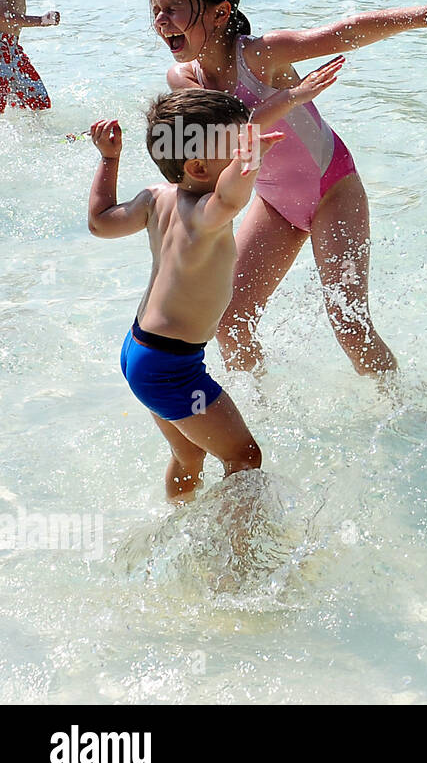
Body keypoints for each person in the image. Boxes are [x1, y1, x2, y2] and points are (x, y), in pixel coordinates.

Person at [149, 0, 427, 376]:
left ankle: (402, 408)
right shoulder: (184, 79)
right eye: (155, 10)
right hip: (275, 203)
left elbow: (345, 33)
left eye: (172, 8)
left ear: (220, 13)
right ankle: (259, 414)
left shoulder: (261, 54)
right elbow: (224, 141)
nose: (161, 20)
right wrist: (289, 99)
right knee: (231, 321)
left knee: (349, 323)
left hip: (333, 190)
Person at [87, 93, 283, 502]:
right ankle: (237, 562)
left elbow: (100, 223)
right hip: (170, 369)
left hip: (141, 351)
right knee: (244, 458)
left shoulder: (155, 197)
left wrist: (109, 160)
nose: (242, 161)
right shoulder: (205, 215)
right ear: (197, 166)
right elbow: (230, 197)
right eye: (234, 152)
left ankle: (180, 520)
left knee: (190, 452)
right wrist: (250, 161)